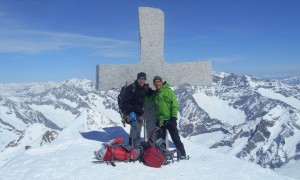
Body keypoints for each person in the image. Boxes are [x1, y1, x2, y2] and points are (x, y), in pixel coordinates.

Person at [152, 75, 187, 158]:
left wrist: (174, 118)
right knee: (161, 140)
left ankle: (182, 154)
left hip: (169, 119)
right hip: (161, 120)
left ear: (162, 82)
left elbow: (174, 104)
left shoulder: (168, 91)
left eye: (158, 82)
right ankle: (162, 155)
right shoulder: (156, 94)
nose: (157, 84)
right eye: (155, 83)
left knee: (175, 138)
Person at [122, 72, 152, 146]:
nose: (141, 81)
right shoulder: (131, 88)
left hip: (140, 114)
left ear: (145, 80)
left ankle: (136, 148)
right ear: (137, 79)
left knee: (138, 130)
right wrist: (130, 112)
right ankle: (132, 146)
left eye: (143, 79)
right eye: (140, 79)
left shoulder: (145, 88)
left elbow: (153, 95)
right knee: (135, 128)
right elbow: (124, 102)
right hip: (130, 113)